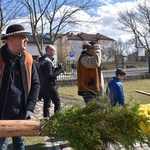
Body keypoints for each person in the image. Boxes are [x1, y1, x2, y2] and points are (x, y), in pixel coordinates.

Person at [0, 24, 40, 150]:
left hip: (21, 113)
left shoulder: (28, 59)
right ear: (10, 39)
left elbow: (36, 84)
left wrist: (29, 108)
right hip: (1, 114)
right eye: (23, 36)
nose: (27, 39)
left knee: (20, 146)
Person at [39, 45, 65, 117]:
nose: (54, 52)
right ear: (49, 51)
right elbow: (50, 76)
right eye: (53, 50)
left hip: (43, 86)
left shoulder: (42, 60)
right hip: (50, 86)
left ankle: (46, 120)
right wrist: (60, 70)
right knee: (57, 103)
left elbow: (48, 72)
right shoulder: (47, 62)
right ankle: (56, 119)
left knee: (46, 104)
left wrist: (57, 68)